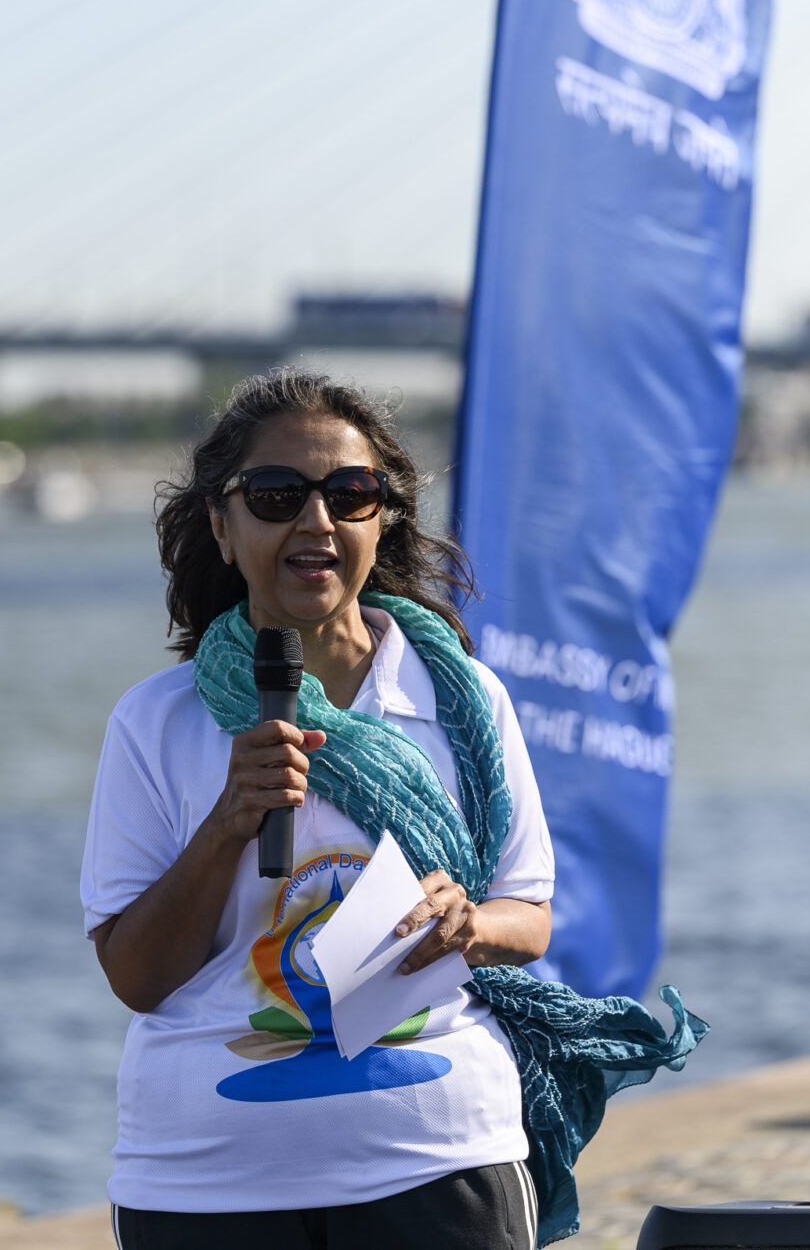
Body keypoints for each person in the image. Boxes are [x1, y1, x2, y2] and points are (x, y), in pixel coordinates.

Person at [81, 368, 558, 1250]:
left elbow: (528, 914)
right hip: (204, 1186)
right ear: (221, 526)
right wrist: (228, 822)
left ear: (383, 519)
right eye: (276, 495)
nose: (316, 522)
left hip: (438, 1165)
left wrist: (470, 924)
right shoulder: (156, 722)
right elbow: (137, 977)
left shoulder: (465, 702)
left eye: (350, 493)